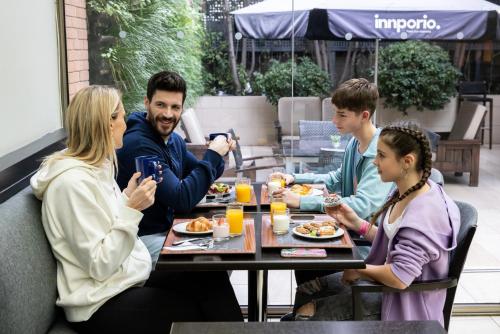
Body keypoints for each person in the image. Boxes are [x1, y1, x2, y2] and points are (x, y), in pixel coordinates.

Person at [31, 86, 243, 333]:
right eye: (121, 116)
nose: (127, 123)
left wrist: (126, 196)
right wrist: (132, 208)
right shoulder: (70, 185)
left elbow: (105, 221)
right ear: (107, 124)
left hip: (124, 279)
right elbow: (99, 265)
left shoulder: (97, 168)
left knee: (207, 276)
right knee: (193, 312)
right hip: (98, 302)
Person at [293, 122, 460, 326]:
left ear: (407, 161)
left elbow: (400, 277)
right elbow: (392, 239)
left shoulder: (425, 215)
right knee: (308, 288)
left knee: (307, 315)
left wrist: (359, 269)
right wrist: (356, 223)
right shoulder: (403, 191)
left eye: (381, 156)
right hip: (383, 286)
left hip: (402, 303)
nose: (374, 163)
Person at [272, 78, 393, 284]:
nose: (334, 121)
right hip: (347, 231)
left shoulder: (380, 154)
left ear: (364, 115)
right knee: (301, 246)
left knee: (305, 253)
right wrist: (294, 178)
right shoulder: (355, 142)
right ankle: (306, 309)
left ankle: (309, 310)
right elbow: (336, 178)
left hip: (368, 244)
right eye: (335, 112)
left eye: (342, 115)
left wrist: (301, 202)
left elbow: (362, 207)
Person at [117, 71, 234, 263]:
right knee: (215, 255)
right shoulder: (140, 145)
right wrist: (213, 154)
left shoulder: (173, 140)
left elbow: (202, 176)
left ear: (182, 108)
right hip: (142, 239)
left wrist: (220, 151)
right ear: (147, 103)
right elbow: (182, 199)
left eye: (175, 107)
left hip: (168, 228)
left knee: (224, 246)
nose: (168, 114)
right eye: (160, 105)